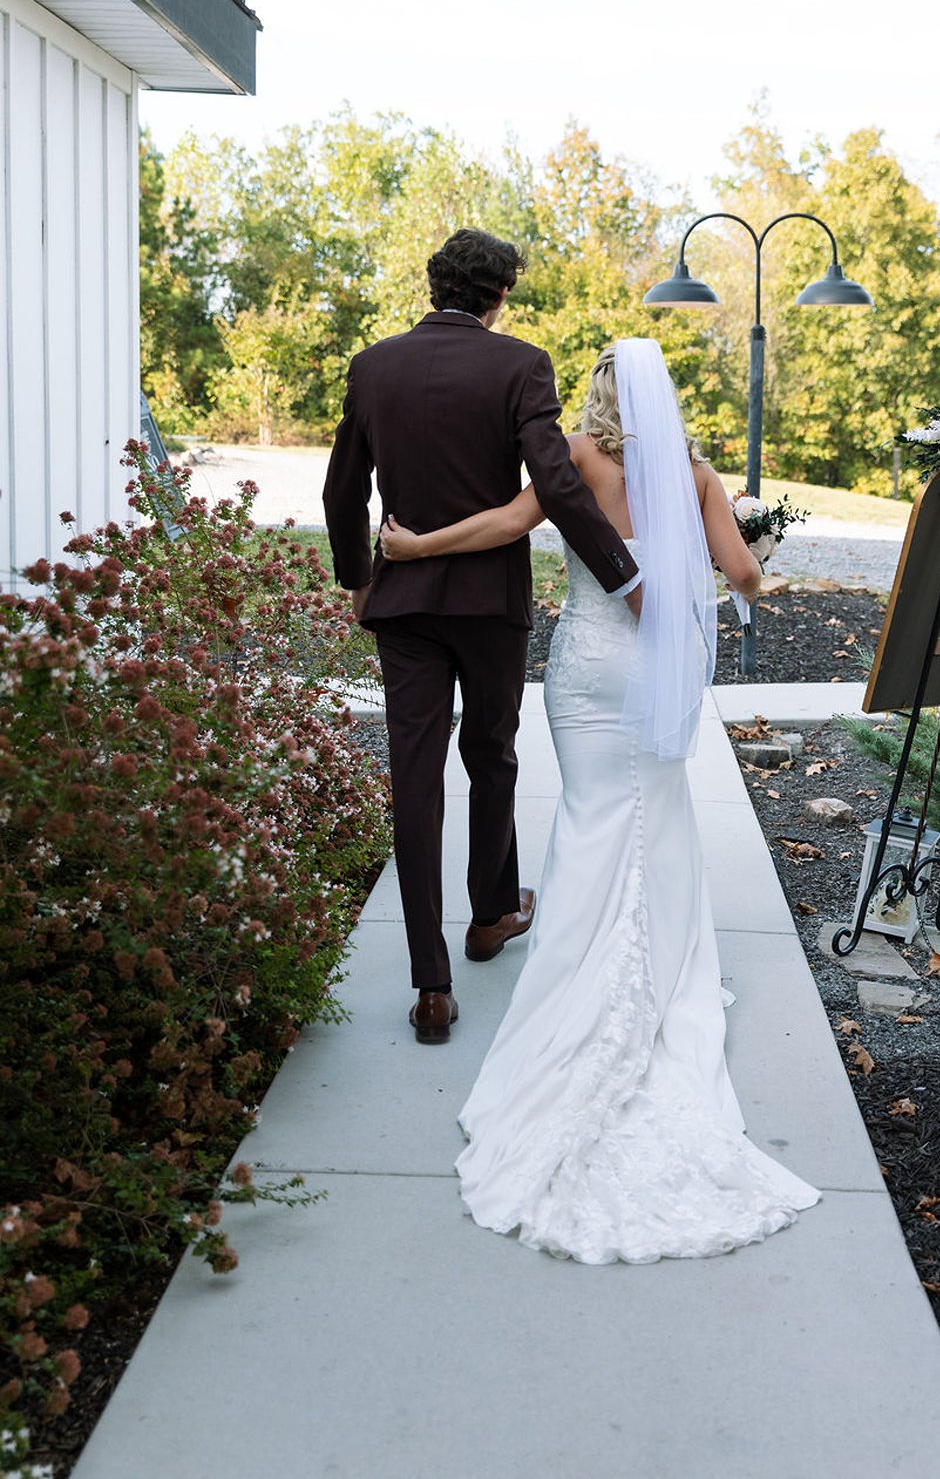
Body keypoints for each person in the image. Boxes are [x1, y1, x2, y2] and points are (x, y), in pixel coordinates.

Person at [378, 338, 820, 1264]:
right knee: (657, 815)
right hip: (655, 669)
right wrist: (752, 540)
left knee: (586, 819)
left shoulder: (575, 458)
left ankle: (574, 977)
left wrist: (418, 544)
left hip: (586, 670)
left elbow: (502, 525)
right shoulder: (697, 474)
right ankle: (658, 972)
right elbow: (743, 579)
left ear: (598, 396)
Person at [322, 230, 640, 1045]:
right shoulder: (521, 365)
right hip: (489, 603)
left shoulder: (373, 365)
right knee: (492, 755)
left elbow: (341, 486)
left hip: (403, 604)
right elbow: (555, 482)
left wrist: (359, 577)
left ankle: (431, 988)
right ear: (500, 295)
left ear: (436, 287)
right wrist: (623, 576)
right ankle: (491, 914)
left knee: (415, 779)